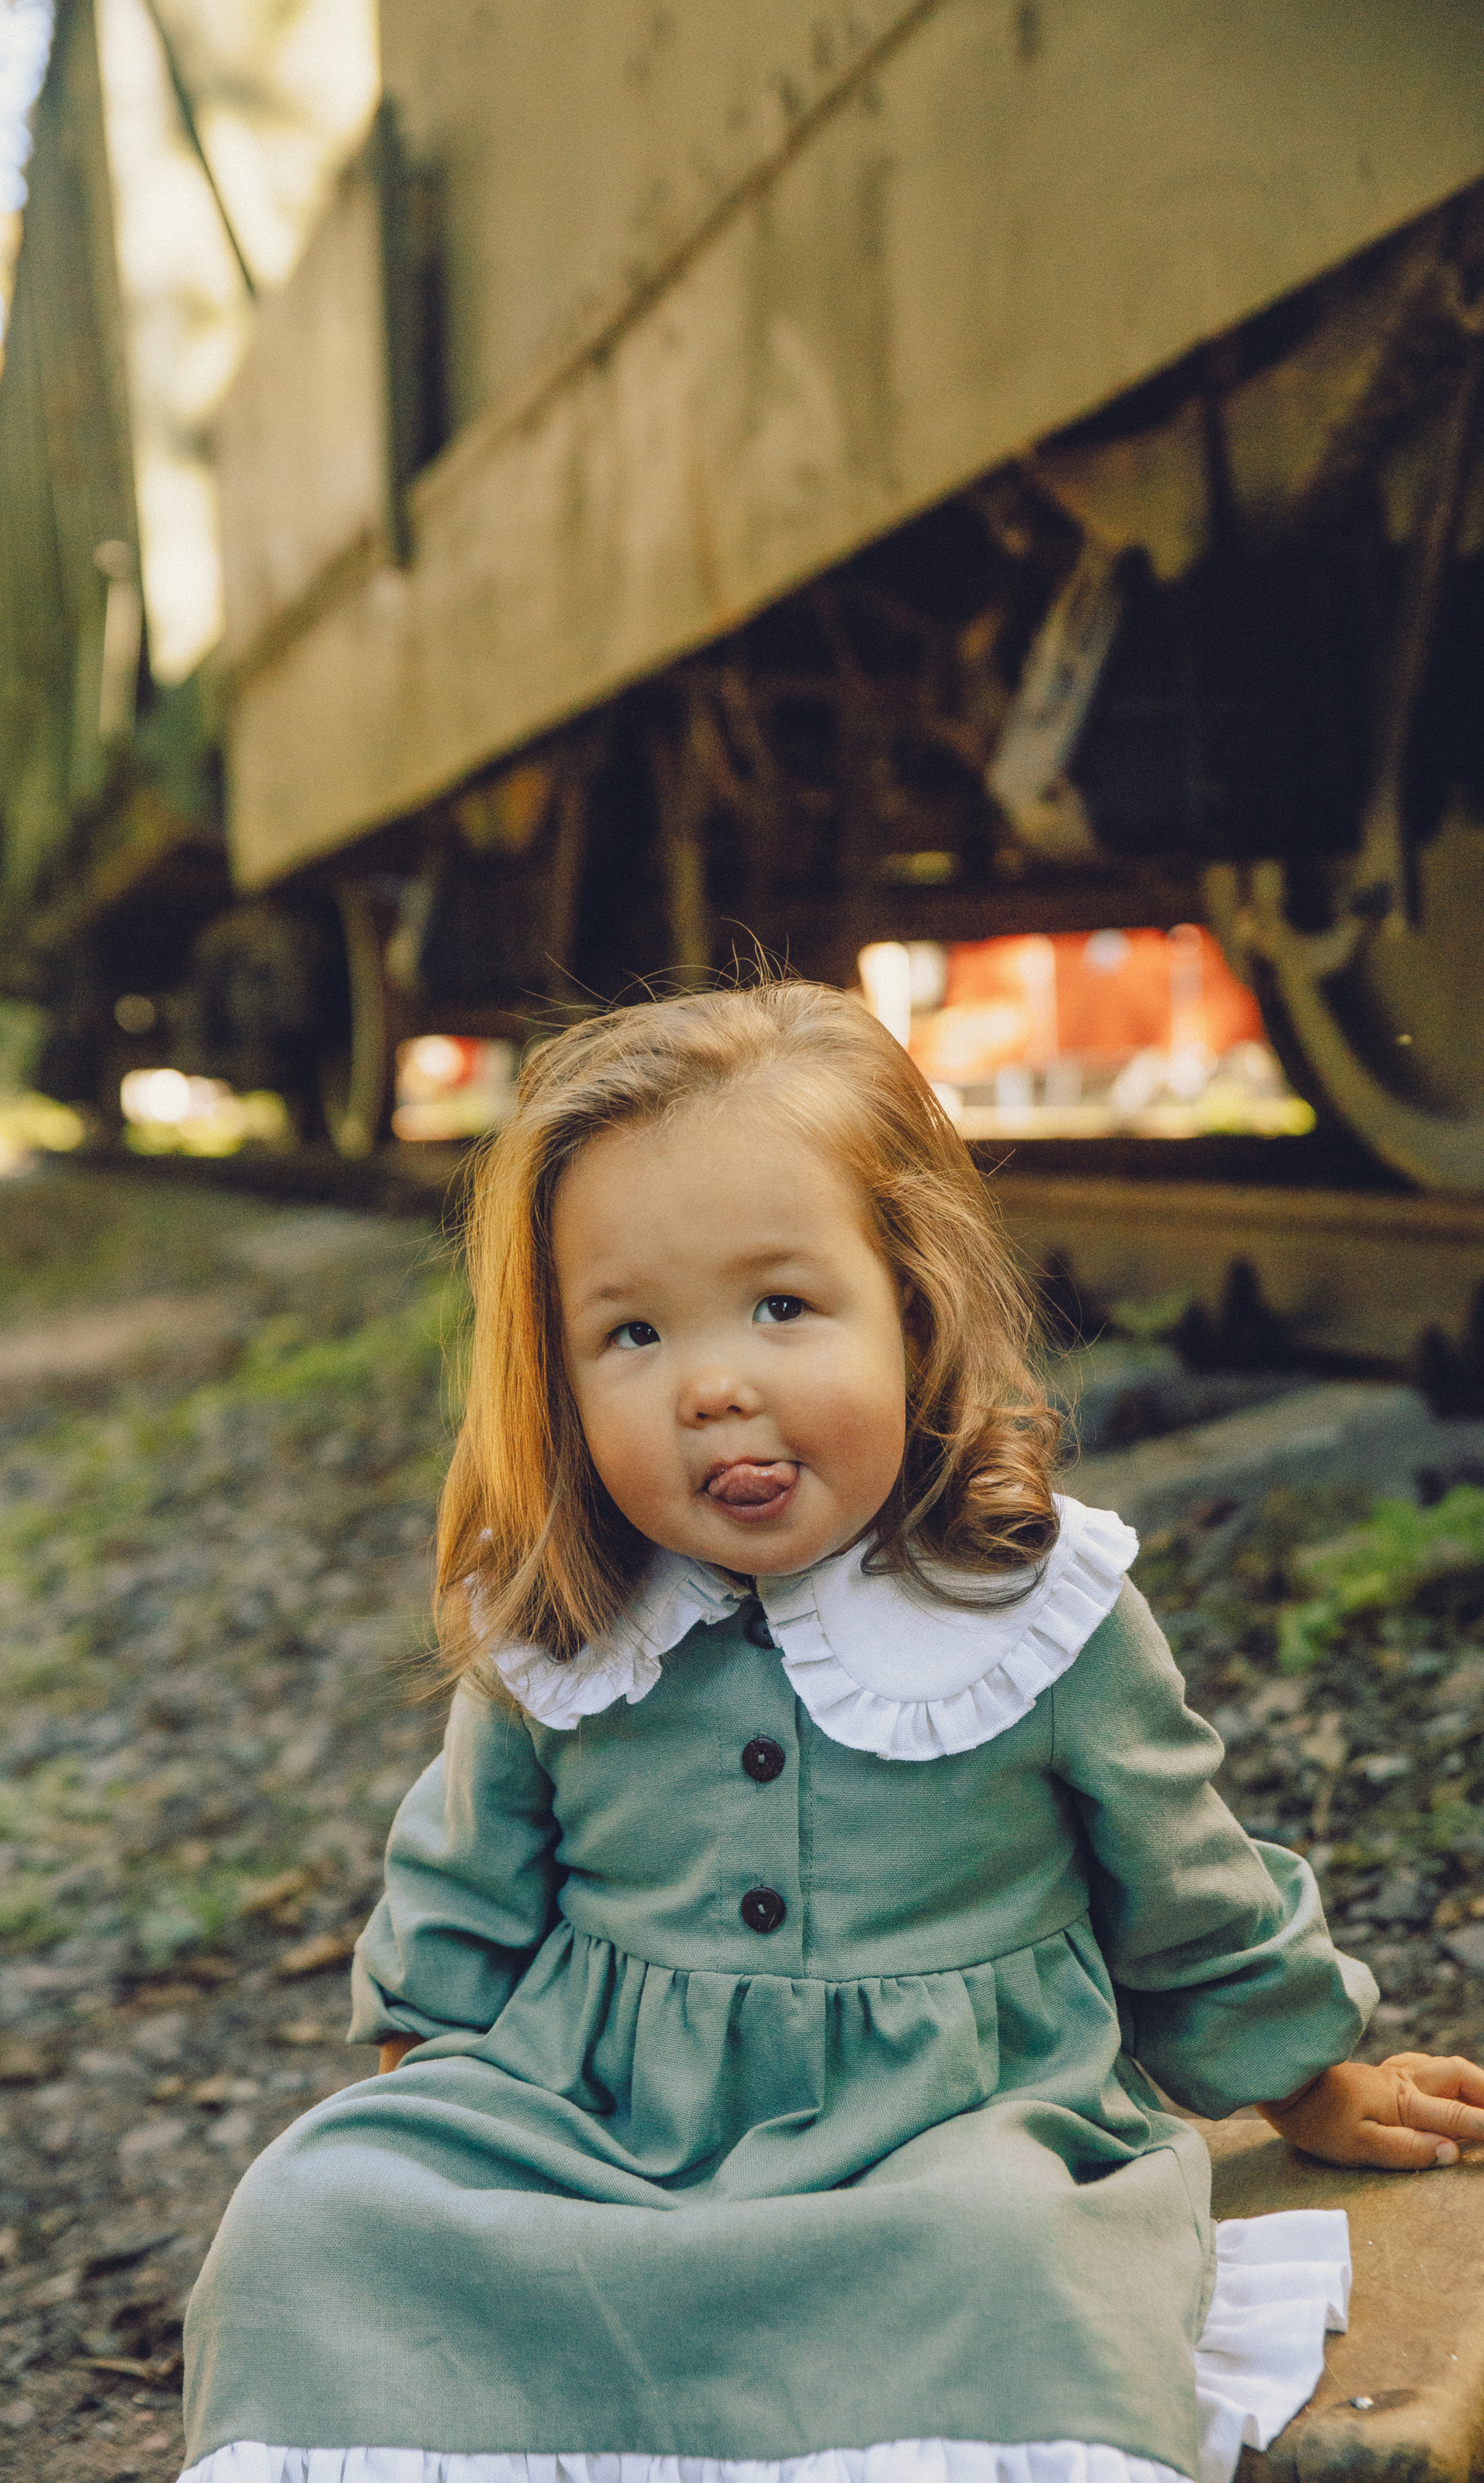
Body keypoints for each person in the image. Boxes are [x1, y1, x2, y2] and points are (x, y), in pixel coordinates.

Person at [178, 978, 1484, 2483]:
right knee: (310, 2216)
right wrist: (437, 2138)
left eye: (781, 1308)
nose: (712, 1384)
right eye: (631, 1334)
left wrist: (1307, 2080)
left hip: (942, 2135)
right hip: (600, 2118)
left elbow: (1182, 1885)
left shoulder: (1028, 1607)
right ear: (556, 1370)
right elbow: (464, 1892)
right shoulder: (563, 1619)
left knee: (1010, 2255)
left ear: (913, 1308)